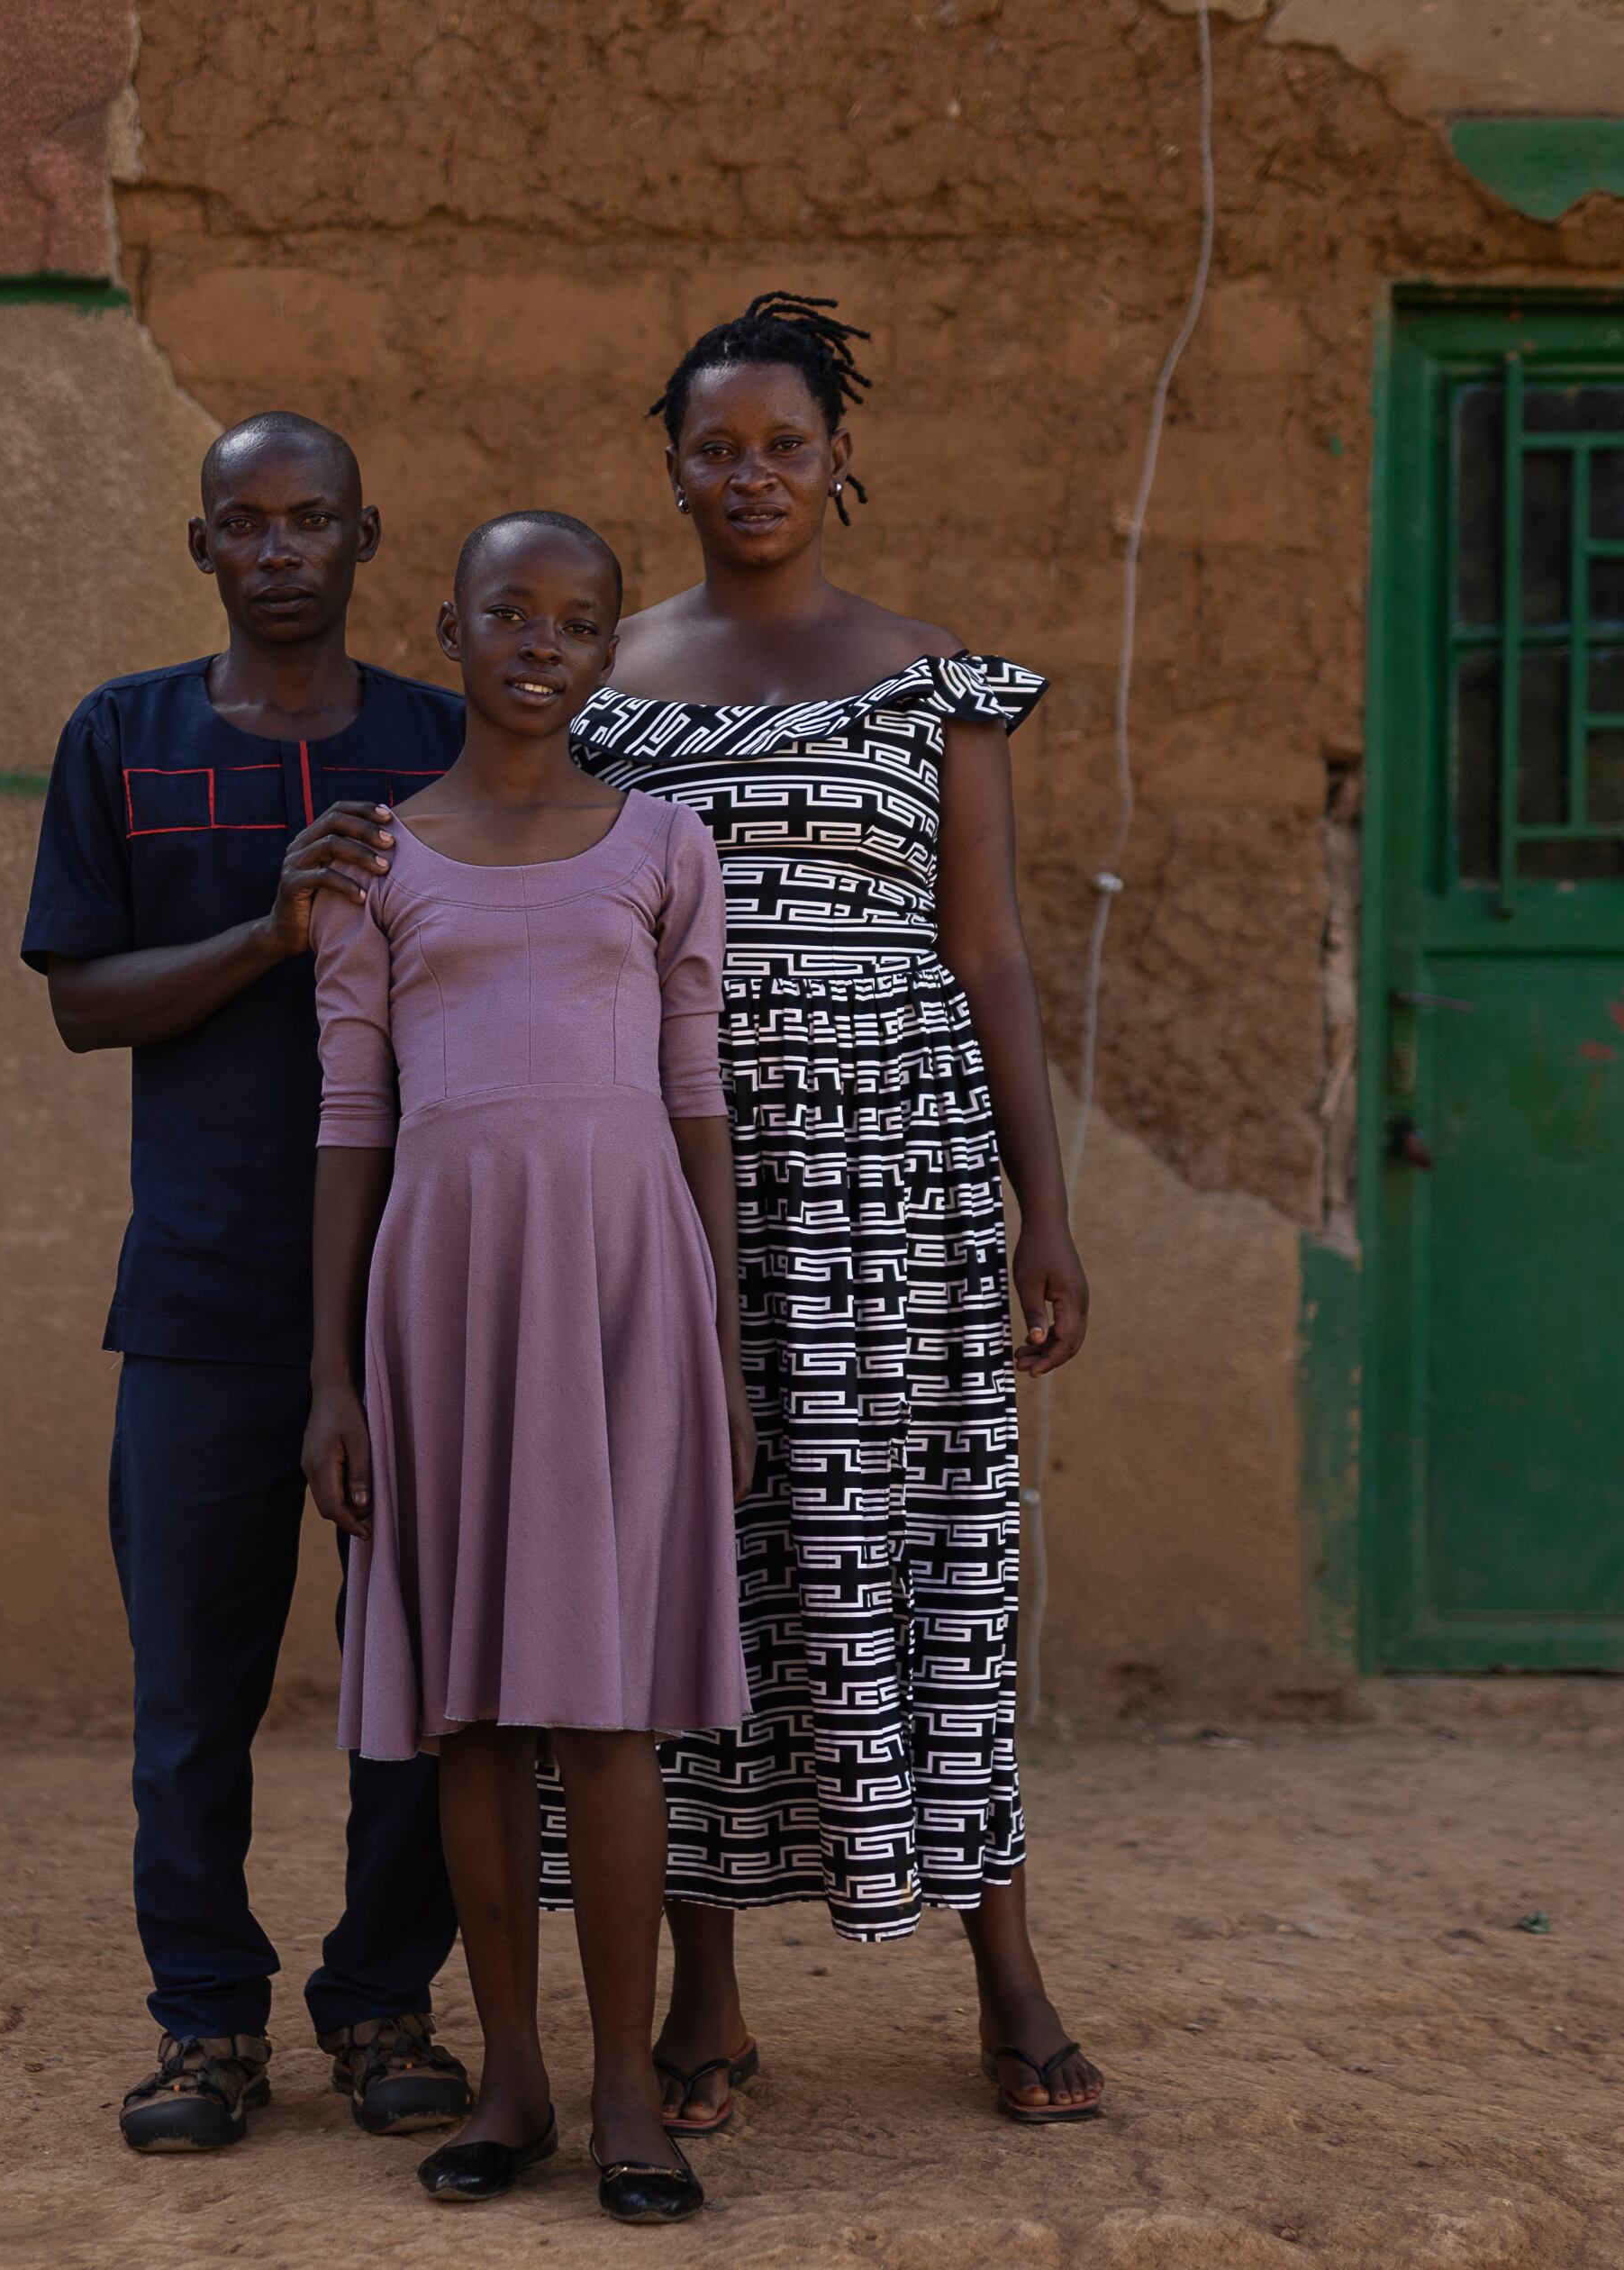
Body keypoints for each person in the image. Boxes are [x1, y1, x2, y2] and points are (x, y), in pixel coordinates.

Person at [567, 293, 1110, 2128]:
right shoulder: (610, 687)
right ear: (672, 468)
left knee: (937, 1565)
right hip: (684, 1182)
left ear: (838, 461)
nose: (750, 476)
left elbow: (992, 952)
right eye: (715, 448)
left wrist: (1046, 1207)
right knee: (699, 1570)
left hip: (905, 1191)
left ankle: (1009, 1978)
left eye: (783, 445)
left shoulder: (929, 676)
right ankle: (705, 2007)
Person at [23, 411, 473, 2154]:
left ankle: (381, 2005)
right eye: (246, 522)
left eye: (312, 520)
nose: (280, 548)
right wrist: (261, 936)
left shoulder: (448, 745)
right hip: (205, 1294)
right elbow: (80, 1003)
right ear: (200, 545)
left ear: (369, 538)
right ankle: (204, 2026)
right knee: (192, 1694)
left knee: (418, 1680)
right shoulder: (122, 739)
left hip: (421, 1294)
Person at [304, 512, 752, 2225]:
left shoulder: (660, 844)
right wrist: (333, 1379)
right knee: (474, 1711)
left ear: (607, 647)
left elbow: (695, 1097)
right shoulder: (377, 859)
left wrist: (717, 1344)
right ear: (454, 627)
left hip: (624, 1283)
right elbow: (353, 1116)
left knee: (608, 1703)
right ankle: (512, 2081)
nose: (542, 642)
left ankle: (632, 2088)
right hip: (446, 1299)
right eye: (510, 612)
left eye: (578, 620)